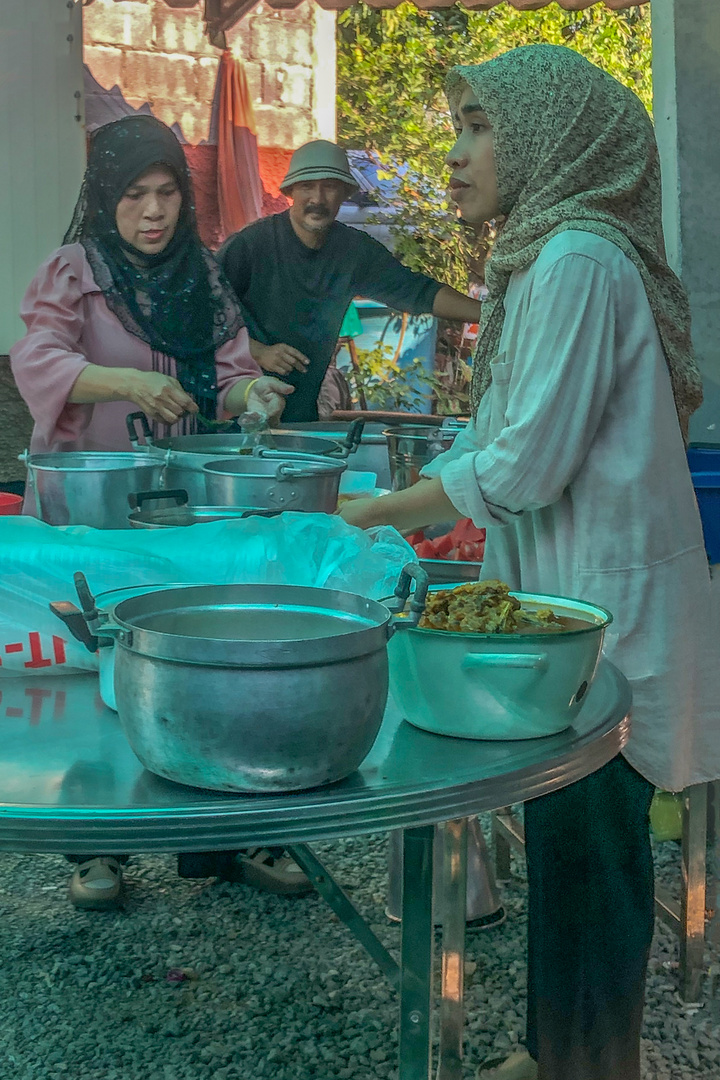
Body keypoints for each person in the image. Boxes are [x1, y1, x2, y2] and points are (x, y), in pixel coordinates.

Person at [340, 45, 720, 1080]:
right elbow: (492, 441)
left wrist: (366, 512)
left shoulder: (578, 262)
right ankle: (565, 1059)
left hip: (604, 614)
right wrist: (368, 512)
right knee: (565, 843)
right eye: (458, 125)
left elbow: (525, 463)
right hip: (564, 610)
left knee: (595, 861)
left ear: (552, 138)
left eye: (479, 127)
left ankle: (598, 1067)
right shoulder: (543, 259)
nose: (456, 153)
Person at [10, 115, 292, 910]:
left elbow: (226, 380)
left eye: (168, 193)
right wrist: (126, 383)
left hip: (180, 510)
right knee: (96, 663)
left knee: (197, 659)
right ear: (107, 197)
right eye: (135, 194)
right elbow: (40, 361)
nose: (154, 212)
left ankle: (223, 840)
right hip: (89, 506)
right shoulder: (75, 271)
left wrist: (253, 394)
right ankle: (97, 846)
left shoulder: (200, 276)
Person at [218, 139, 483, 422]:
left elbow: (418, 292)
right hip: (236, 415)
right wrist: (258, 352)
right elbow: (200, 315)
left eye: (330, 186)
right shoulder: (250, 246)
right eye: (307, 186)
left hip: (299, 419)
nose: (318, 199)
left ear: (345, 193)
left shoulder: (353, 251)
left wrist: (493, 312)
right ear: (291, 191)